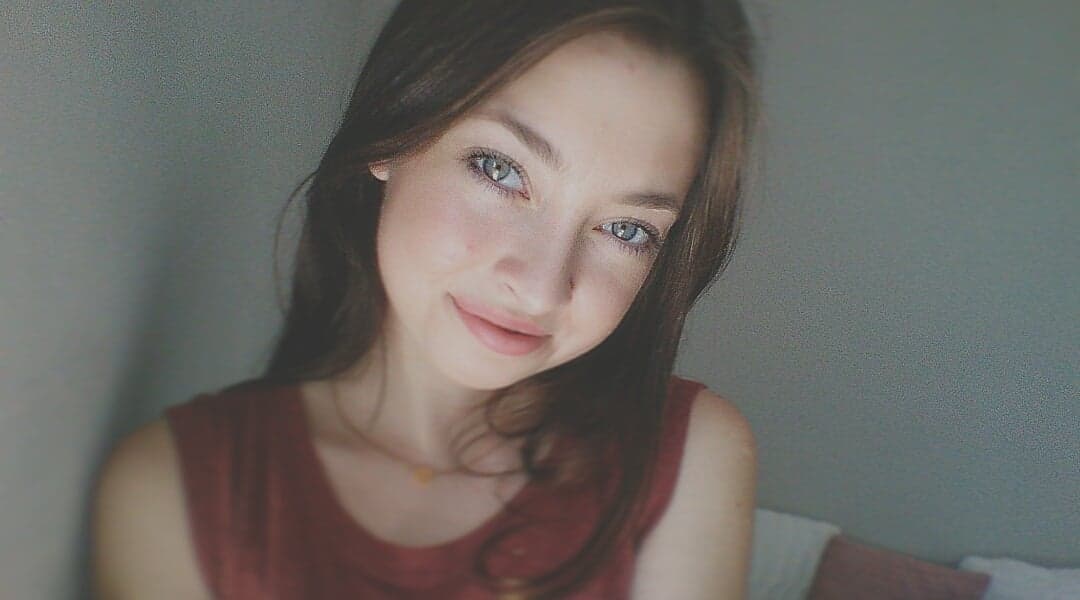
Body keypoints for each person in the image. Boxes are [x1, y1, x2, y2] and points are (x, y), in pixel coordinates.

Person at [91, 1, 761, 598]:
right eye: (501, 170)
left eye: (627, 230)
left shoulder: (689, 456)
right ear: (398, 127)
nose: (539, 287)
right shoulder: (176, 492)